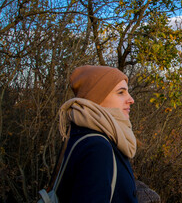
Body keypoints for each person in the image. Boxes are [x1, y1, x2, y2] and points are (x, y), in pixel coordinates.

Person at [56, 65, 138, 202]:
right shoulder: (97, 147)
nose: (131, 99)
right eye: (121, 92)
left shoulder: (84, 135)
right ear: (97, 98)